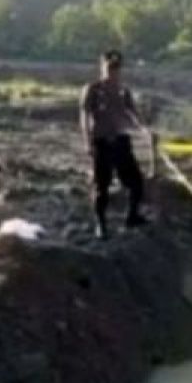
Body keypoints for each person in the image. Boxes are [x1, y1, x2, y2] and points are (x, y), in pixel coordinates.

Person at [80, 49, 150, 240]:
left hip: (121, 141)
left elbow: (133, 113)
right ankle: (101, 225)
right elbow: (85, 116)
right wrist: (88, 142)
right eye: (110, 68)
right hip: (102, 142)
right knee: (102, 186)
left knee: (136, 182)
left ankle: (132, 216)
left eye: (116, 68)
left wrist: (145, 131)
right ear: (102, 67)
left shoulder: (123, 91)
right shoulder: (93, 89)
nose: (113, 72)